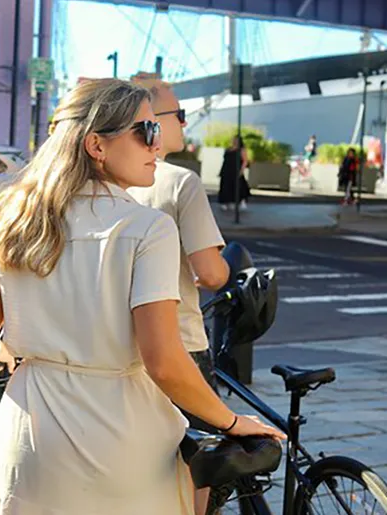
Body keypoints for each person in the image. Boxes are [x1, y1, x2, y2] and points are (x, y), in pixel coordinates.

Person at [0, 78, 284, 514]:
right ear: (96, 145)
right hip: (122, 437)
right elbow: (163, 360)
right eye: (146, 132)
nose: (158, 146)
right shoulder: (146, 228)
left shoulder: (9, 221)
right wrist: (232, 420)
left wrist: (16, 348)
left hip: (30, 431)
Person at [126, 80, 231, 515]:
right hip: (179, 342)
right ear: (149, 121)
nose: (185, 122)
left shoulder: (102, 184)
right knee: (200, 456)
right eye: (178, 114)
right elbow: (209, 273)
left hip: (119, 351)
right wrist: (224, 272)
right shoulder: (177, 183)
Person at [217, 135, 250, 211]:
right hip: (226, 170)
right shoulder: (228, 149)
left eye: (236, 140)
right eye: (233, 140)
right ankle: (225, 202)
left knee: (238, 186)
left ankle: (240, 201)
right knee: (225, 186)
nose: (234, 141)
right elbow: (225, 161)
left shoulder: (241, 150)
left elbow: (245, 161)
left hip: (236, 170)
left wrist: (241, 171)